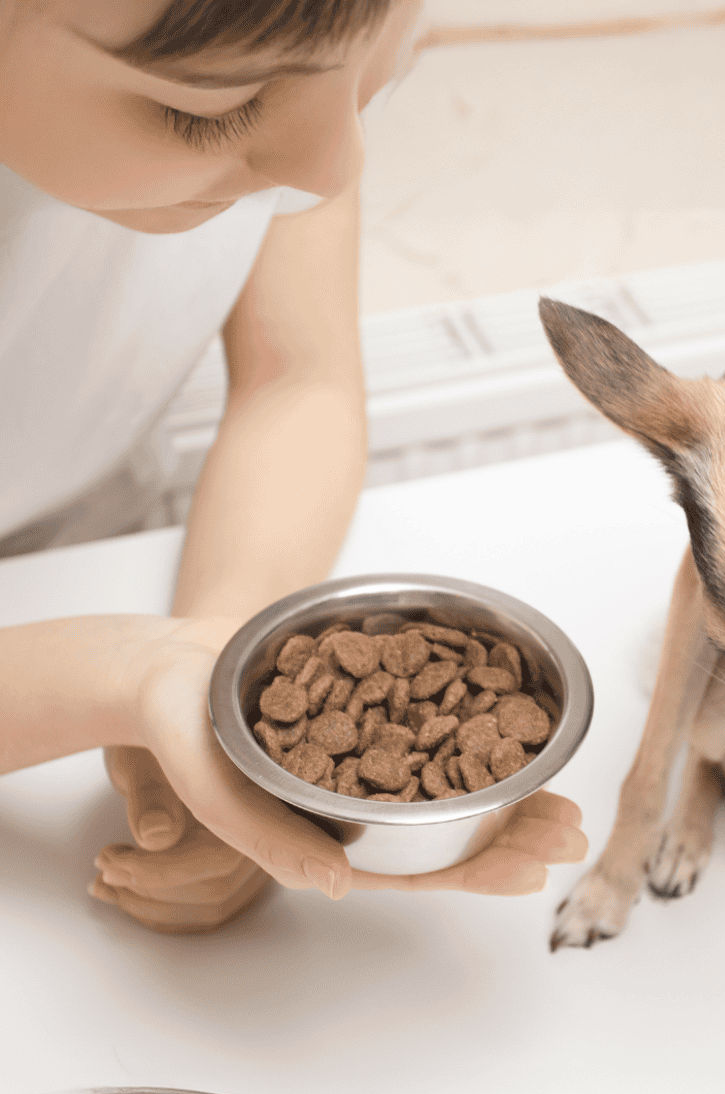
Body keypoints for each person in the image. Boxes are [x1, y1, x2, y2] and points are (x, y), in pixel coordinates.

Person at [0, 0, 587, 933]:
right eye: (208, 111)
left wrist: (219, 698)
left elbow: (295, 380)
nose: (330, 169)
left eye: (379, 66)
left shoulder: (304, 54)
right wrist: (103, 681)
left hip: (94, 532)